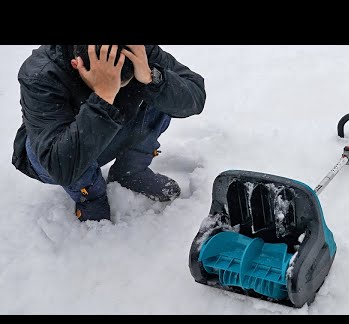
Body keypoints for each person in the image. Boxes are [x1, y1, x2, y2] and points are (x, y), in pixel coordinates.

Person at [12, 45, 206, 222]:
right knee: (44, 152)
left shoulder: (137, 49)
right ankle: (90, 193)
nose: (118, 90)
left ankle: (130, 171)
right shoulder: (41, 74)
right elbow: (60, 166)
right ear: (76, 64)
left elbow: (195, 96)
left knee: (162, 90)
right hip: (66, 154)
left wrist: (151, 77)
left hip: (113, 129)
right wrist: (103, 97)